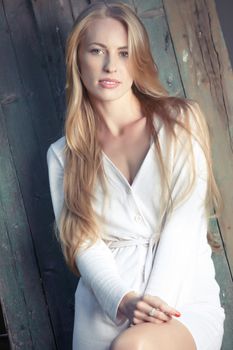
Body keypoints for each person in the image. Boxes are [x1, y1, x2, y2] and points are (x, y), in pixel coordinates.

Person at [46, 1, 225, 349]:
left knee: (134, 345)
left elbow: (185, 221)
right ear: (77, 59)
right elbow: (84, 242)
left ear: (138, 59)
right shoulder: (62, 155)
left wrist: (152, 307)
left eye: (124, 53)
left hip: (182, 298)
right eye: (97, 51)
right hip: (105, 307)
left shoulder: (180, 121)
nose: (111, 65)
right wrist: (123, 301)